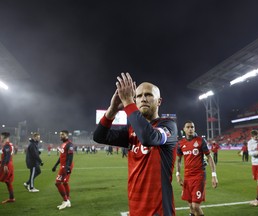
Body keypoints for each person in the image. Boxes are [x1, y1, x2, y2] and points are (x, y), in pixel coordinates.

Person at [93, 72, 178, 216]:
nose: (143, 98)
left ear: (159, 101)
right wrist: (112, 110)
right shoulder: (131, 130)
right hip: (135, 209)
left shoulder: (169, 126)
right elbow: (99, 136)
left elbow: (148, 137)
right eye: (138, 96)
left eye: (148, 95)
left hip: (159, 211)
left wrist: (128, 102)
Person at [176, 121, 218, 216]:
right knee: (190, 205)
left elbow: (209, 157)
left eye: (192, 127)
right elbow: (178, 160)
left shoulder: (200, 141)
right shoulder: (180, 143)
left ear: (194, 129)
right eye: (188, 127)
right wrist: (178, 175)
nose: (190, 129)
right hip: (187, 177)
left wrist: (214, 175)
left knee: (195, 206)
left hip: (199, 176)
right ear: (184, 129)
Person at [52, 130, 74, 210]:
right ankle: (67, 200)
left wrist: (67, 167)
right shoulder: (63, 144)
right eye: (60, 134)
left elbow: (70, 157)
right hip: (63, 165)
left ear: (67, 135)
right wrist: (55, 165)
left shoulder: (69, 144)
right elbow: (61, 156)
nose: (61, 136)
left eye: (62, 134)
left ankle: (65, 201)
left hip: (66, 166)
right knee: (65, 182)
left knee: (57, 183)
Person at [0, 132, 15, 204]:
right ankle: (11, 198)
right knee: (8, 181)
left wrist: (5, 165)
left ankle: (11, 198)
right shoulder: (9, 145)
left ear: (4, 137)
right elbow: (7, 155)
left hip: (7, 165)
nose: (0, 138)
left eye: (1, 137)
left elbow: (7, 155)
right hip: (9, 164)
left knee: (6, 180)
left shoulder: (7, 145)